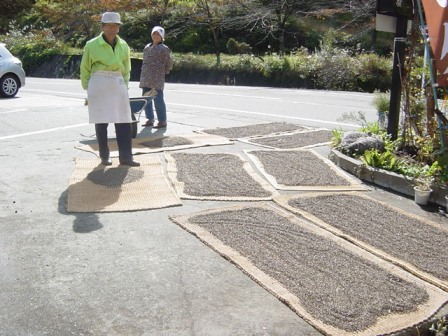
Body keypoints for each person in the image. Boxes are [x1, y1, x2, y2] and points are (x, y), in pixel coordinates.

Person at [80, 12, 140, 167]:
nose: (112, 29)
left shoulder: (123, 45)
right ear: (102, 27)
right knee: (101, 121)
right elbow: (85, 68)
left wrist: (124, 85)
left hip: (117, 81)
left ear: (119, 28)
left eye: (115, 26)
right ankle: (104, 156)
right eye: (108, 25)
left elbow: (127, 68)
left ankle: (126, 157)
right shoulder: (91, 45)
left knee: (124, 121)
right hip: (99, 82)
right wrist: (89, 87)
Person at [139, 26, 173, 129]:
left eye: (158, 34)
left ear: (162, 36)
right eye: (154, 33)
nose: (155, 36)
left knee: (158, 100)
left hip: (157, 78)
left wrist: (163, 72)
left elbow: (169, 63)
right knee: (146, 100)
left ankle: (162, 121)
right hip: (146, 77)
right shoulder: (147, 47)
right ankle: (150, 119)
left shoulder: (164, 48)